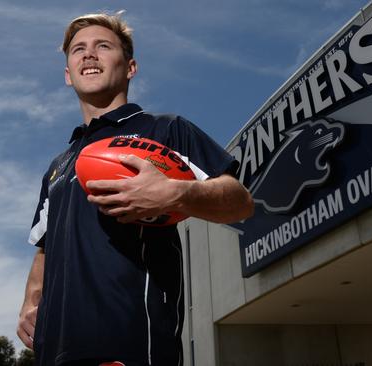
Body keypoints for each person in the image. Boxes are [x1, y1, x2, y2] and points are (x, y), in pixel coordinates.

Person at [16, 11, 254, 366]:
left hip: (129, 343)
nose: (89, 54)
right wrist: (30, 303)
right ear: (68, 74)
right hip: (56, 348)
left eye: (103, 46)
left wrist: (175, 192)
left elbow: (239, 201)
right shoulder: (59, 165)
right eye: (78, 49)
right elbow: (45, 248)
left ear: (131, 67)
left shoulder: (165, 130)